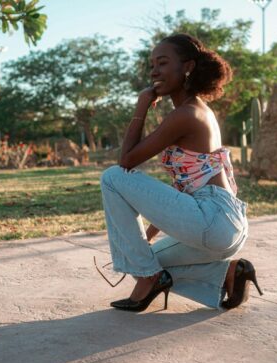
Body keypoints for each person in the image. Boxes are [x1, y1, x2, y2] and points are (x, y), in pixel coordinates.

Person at [99, 34, 262, 312]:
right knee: (148, 260)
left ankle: (149, 279)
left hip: (213, 219)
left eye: (162, 63)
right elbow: (182, 191)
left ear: (187, 67)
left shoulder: (186, 114)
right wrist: (145, 239)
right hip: (225, 225)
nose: (154, 72)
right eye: (152, 65)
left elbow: (126, 161)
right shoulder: (197, 111)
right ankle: (230, 273)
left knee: (113, 177)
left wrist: (142, 105)